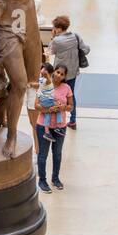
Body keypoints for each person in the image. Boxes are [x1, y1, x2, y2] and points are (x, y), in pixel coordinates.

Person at [35, 63, 72, 192]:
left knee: (57, 154)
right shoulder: (44, 85)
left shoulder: (67, 88)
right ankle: (42, 181)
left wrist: (63, 107)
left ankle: (55, 179)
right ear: (53, 72)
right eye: (57, 72)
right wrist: (47, 109)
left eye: (62, 74)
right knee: (43, 154)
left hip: (60, 127)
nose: (59, 75)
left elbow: (70, 107)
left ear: (64, 77)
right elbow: (36, 105)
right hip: (43, 126)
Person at [48, 14, 89, 128]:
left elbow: (50, 51)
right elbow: (86, 50)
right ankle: (73, 120)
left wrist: (52, 38)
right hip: (72, 73)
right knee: (70, 95)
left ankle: (55, 119)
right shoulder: (75, 36)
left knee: (55, 94)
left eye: (54, 27)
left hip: (58, 74)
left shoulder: (56, 40)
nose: (53, 29)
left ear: (59, 28)